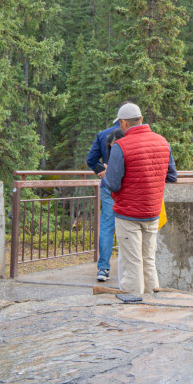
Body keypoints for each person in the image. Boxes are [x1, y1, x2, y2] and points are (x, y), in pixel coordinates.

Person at [102, 102, 178, 294]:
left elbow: (112, 183)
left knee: (132, 263)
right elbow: (171, 176)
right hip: (152, 211)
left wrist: (108, 174)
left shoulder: (121, 145)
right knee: (148, 260)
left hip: (128, 213)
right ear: (141, 119)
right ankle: (153, 303)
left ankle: (133, 308)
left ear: (123, 123)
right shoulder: (162, 141)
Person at [86, 105, 131, 283]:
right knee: (130, 224)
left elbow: (91, 160)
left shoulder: (103, 134)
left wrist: (103, 171)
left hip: (108, 186)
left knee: (106, 225)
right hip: (128, 185)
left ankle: (103, 269)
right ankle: (129, 268)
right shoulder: (132, 134)